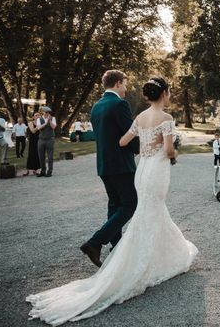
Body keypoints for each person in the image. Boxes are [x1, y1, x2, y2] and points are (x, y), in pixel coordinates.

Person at [28, 76, 198, 324]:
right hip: (154, 171)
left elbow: (122, 140)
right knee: (144, 210)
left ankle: (122, 251)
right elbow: (170, 151)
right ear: (163, 94)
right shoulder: (164, 118)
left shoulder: (130, 115)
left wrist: (148, 144)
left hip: (131, 170)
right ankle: (119, 253)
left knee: (133, 209)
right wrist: (167, 147)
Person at [79, 70, 141, 267]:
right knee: (130, 204)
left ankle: (117, 248)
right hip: (121, 165)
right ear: (116, 83)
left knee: (115, 204)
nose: (125, 88)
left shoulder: (96, 106)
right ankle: (95, 242)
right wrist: (139, 148)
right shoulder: (119, 104)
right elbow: (129, 132)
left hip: (104, 165)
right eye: (124, 84)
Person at [36, 107, 57, 177]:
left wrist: (49, 121)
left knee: (50, 156)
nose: (47, 114)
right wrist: (45, 123)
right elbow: (38, 128)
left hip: (50, 139)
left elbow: (54, 127)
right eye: (46, 112)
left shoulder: (53, 118)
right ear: (43, 112)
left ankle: (49, 171)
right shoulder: (39, 119)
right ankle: (43, 171)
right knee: (41, 156)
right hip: (41, 140)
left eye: (48, 112)